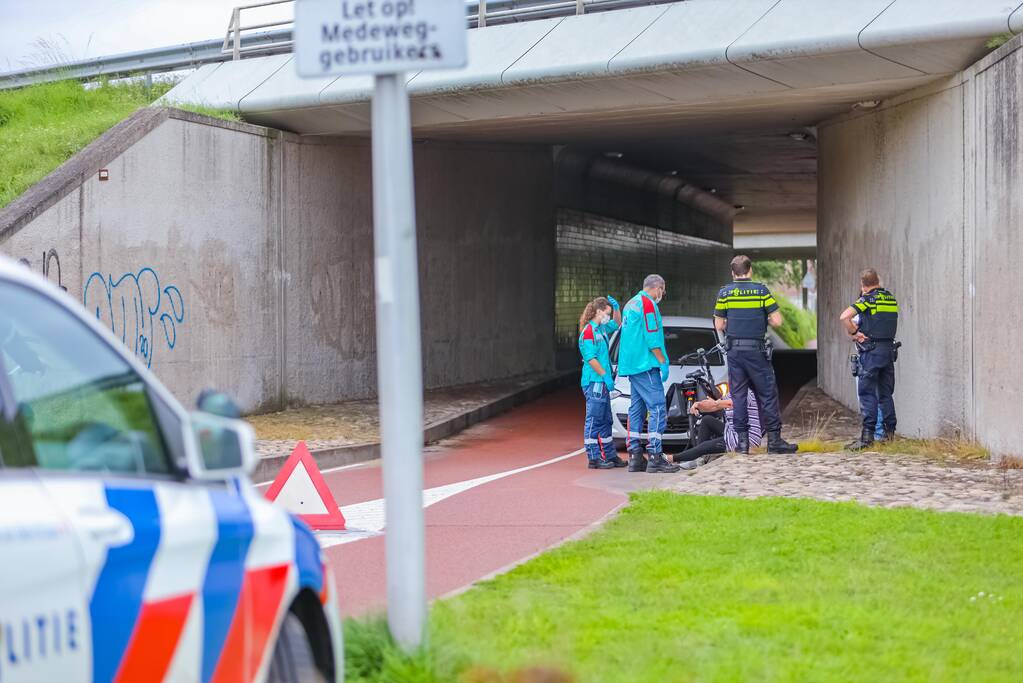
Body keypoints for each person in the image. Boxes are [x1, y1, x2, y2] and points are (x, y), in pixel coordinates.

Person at [713, 255, 797, 455]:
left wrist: (730, 324)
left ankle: (742, 443)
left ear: (733, 273)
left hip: (734, 351)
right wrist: (762, 317)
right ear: (750, 271)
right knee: (767, 393)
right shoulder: (761, 291)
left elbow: (719, 325)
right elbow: (777, 321)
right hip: (757, 351)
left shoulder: (725, 293)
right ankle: (774, 441)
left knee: (739, 395)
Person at [618, 274, 680, 474]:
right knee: (658, 407)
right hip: (646, 364)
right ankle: (655, 455)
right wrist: (662, 361)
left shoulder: (630, 304)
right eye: (662, 290)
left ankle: (635, 455)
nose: (662, 294)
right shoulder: (648, 305)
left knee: (636, 409)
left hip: (631, 365)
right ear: (658, 288)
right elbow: (652, 337)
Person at [840, 268, 899, 450]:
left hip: (871, 352)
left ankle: (867, 438)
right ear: (878, 281)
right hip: (888, 351)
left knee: (867, 394)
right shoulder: (890, 299)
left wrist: (855, 333)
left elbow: (844, 317)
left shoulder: (867, 299)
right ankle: (889, 435)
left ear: (863, 286)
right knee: (886, 395)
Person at [578, 296, 626, 469]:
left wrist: (617, 309)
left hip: (602, 383)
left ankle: (610, 455)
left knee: (606, 420)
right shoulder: (589, 332)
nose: (608, 316)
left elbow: (617, 324)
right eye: (607, 313)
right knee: (594, 420)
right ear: (598, 311)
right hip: (595, 382)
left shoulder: (601, 328)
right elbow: (590, 358)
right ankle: (594, 457)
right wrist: (605, 376)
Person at [671, 389, 763, 468]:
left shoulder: (747, 392)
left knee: (705, 446)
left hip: (747, 439)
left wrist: (716, 403)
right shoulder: (731, 393)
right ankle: (699, 459)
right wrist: (698, 404)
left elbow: (732, 404)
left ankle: (671, 458)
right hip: (732, 432)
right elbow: (712, 406)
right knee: (707, 420)